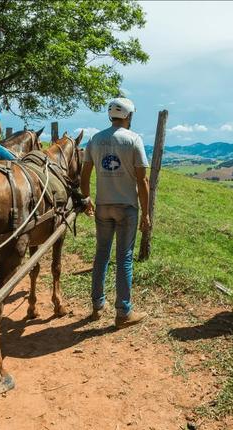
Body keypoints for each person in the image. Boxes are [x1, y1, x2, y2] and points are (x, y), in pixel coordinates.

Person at [80, 97, 151, 328]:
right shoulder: (133, 140)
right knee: (124, 258)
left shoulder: (95, 139)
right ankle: (123, 312)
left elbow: (84, 174)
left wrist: (87, 198)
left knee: (101, 254)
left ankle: (97, 305)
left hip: (103, 205)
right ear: (128, 116)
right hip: (126, 207)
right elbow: (143, 181)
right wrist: (147, 213)